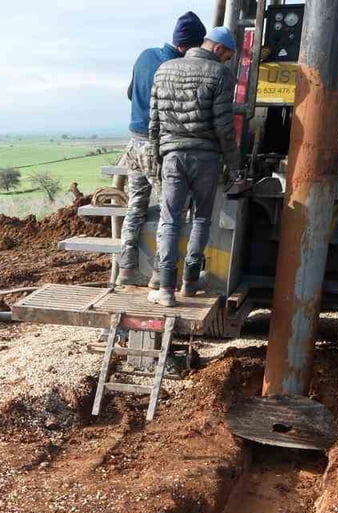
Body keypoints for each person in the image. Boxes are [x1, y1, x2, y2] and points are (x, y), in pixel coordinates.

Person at [146, 26, 245, 306]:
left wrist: (156, 158)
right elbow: (224, 127)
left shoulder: (164, 70)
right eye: (227, 55)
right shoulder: (220, 74)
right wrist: (235, 166)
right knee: (201, 218)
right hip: (206, 158)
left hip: (173, 156)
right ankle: (190, 281)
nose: (227, 61)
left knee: (170, 220)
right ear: (217, 48)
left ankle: (166, 289)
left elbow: (154, 123)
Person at [115, 12, 208, 287]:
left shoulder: (144, 55)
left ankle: (126, 270)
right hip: (155, 148)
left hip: (132, 144)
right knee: (171, 213)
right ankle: (159, 274)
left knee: (135, 207)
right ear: (188, 46)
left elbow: (130, 93)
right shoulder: (175, 68)